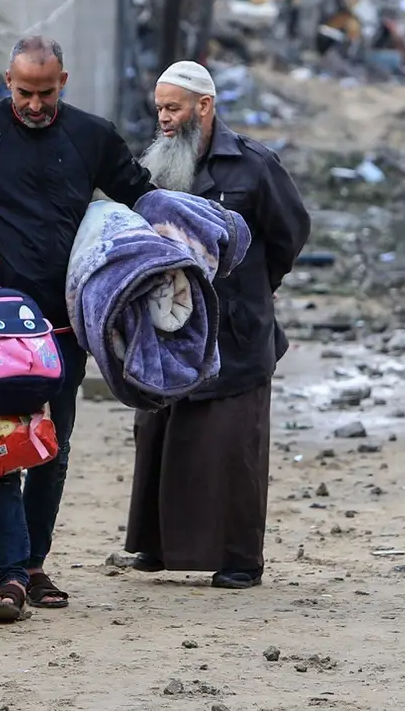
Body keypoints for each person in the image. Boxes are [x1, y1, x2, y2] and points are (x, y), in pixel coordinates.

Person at [0, 36, 156, 622]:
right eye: (24, 93)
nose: (34, 104)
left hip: (67, 323)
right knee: (2, 443)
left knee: (52, 445)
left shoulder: (93, 136)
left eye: (45, 93)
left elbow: (142, 198)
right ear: (7, 82)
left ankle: (33, 563)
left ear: (64, 81)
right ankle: (11, 574)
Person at [125, 61, 310, 590]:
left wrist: (257, 284)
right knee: (160, 431)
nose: (162, 118)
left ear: (204, 107)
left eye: (173, 108)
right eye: (158, 107)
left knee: (232, 445)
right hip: (171, 325)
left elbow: (288, 233)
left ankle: (238, 560)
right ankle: (157, 547)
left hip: (237, 327)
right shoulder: (155, 162)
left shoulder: (253, 165)